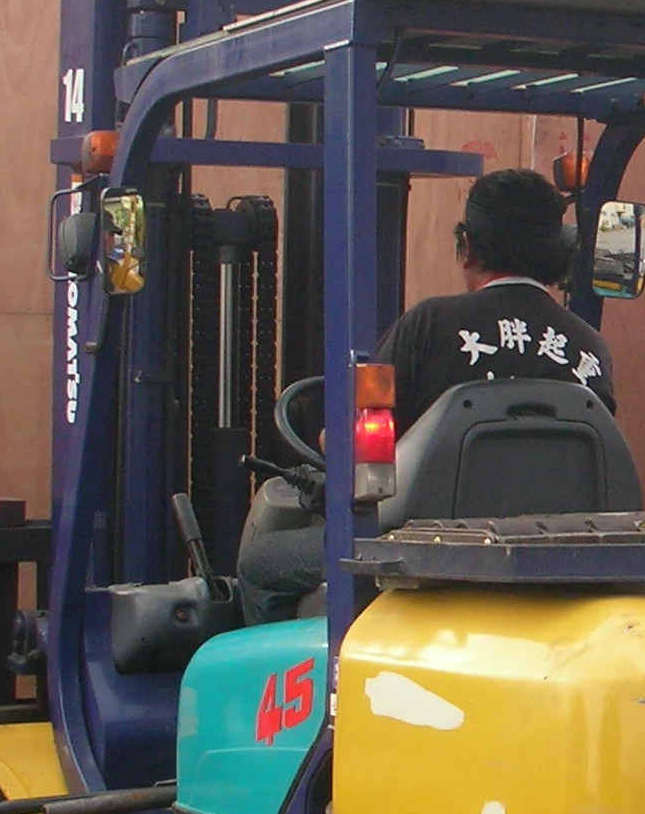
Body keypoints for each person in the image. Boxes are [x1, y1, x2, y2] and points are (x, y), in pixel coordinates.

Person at [237, 168, 616, 615]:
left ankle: (306, 684)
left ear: (468, 248)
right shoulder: (590, 346)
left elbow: (349, 444)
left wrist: (331, 439)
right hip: (561, 559)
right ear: (559, 253)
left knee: (260, 564)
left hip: (429, 554)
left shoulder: (430, 326)